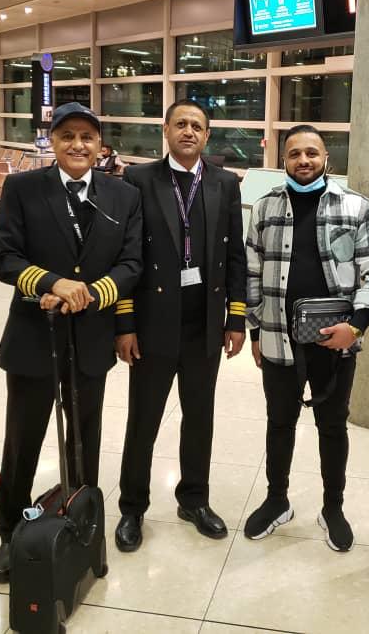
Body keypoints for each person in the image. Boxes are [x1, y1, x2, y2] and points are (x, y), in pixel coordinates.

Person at [0, 102, 142, 583]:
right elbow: (4, 258)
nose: (78, 144)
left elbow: (132, 264)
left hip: (91, 338)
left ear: (100, 145)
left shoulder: (122, 194)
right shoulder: (23, 188)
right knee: (23, 440)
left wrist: (91, 293)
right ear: (52, 141)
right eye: (67, 135)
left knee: (84, 438)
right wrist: (52, 282)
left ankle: (82, 524)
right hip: (35, 337)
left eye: (87, 137)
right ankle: (12, 532)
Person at [244, 125, 369, 551]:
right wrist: (255, 330)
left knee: (333, 426)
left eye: (311, 152)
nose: (303, 160)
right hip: (277, 338)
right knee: (279, 423)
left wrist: (356, 326)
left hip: (336, 344)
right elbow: (252, 273)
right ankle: (277, 500)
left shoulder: (357, 207)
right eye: (294, 154)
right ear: (283, 160)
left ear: (327, 158)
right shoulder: (265, 208)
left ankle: (333, 507)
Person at [113, 99, 246, 550]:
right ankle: (132, 507)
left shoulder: (225, 183)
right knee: (143, 420)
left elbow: (235, 256)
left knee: (200, 417)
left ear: (207, 135)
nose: (189, 132)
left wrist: (236, 318)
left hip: (204, 324)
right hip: (153, 323)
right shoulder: (139, 179)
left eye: (197, 126)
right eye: (181, 124)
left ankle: (194, 500)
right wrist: (125, 324)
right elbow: (127, 256)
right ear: (166, 130)